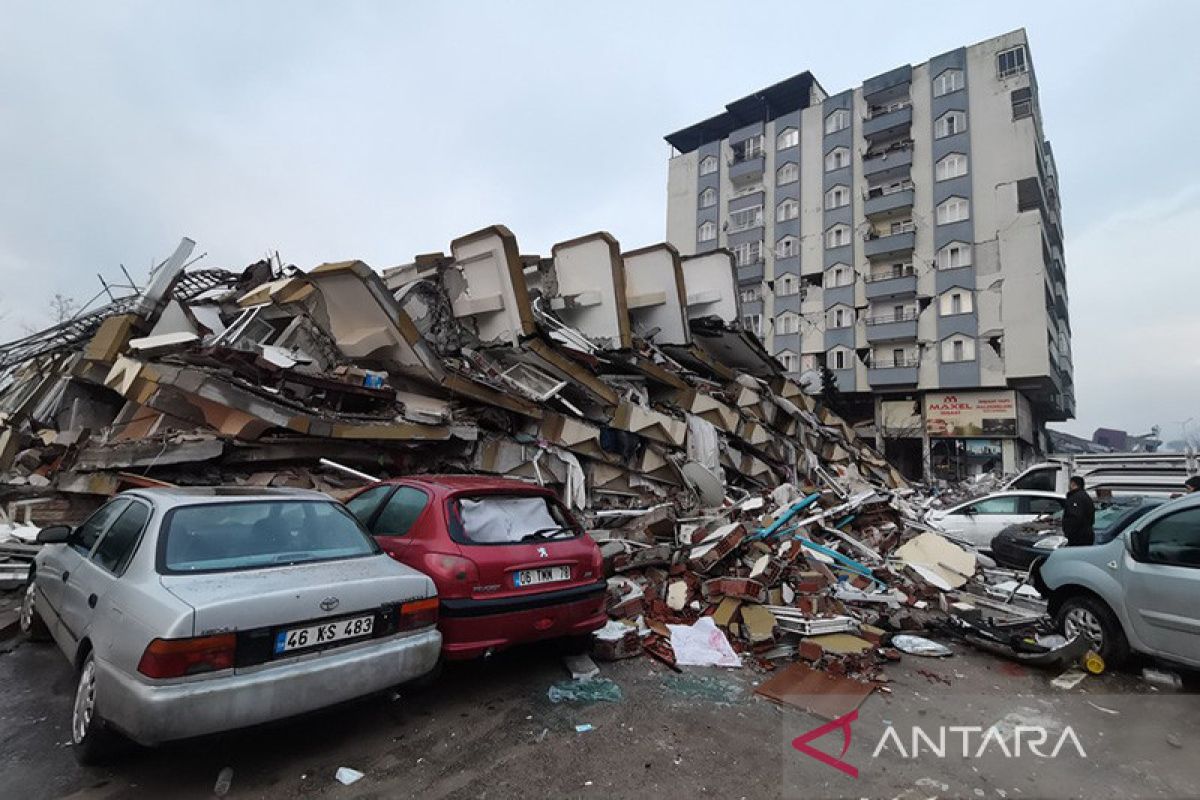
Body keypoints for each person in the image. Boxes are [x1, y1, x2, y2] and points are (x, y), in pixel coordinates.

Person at [1062, 475, 1096, 547]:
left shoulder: (1075, 498)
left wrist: (1068, 533)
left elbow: (1075, 517)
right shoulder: (1086, 497)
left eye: (1070, 484)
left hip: (1078, 538)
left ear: (1073, 484)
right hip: (1087, 535)